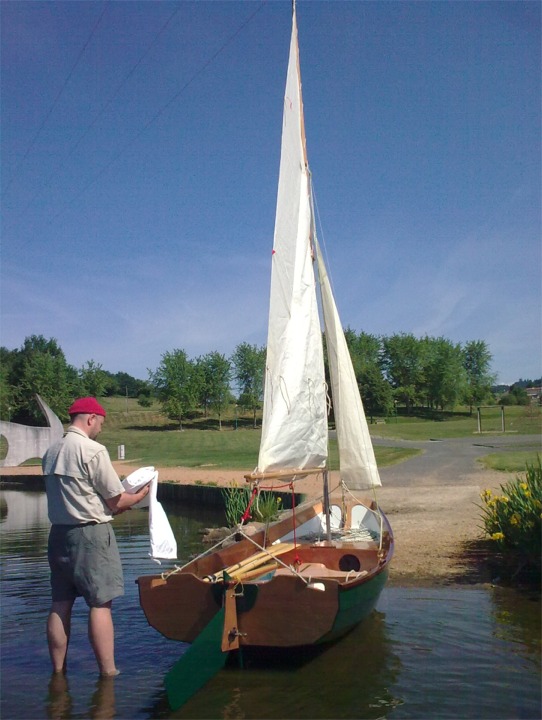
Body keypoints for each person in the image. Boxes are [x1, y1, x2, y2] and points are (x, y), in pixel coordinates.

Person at [42, 397, 151, 677]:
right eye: (100, 423)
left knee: (60, 603)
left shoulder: (51, 451)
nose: (100, 429)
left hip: (58, 535)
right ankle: (108, 672)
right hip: (90, 536)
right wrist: (140, 496)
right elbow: (116, 500)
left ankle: (57, 671)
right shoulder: (92, 450)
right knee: (100, 604)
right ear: (91, 418)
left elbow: (80, 497)